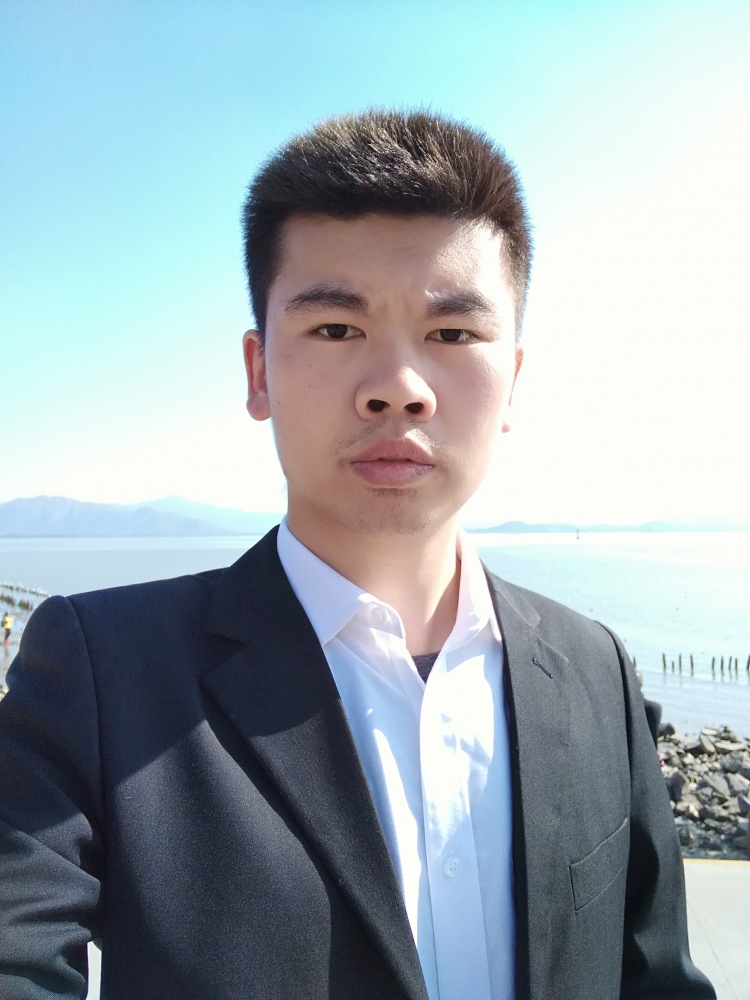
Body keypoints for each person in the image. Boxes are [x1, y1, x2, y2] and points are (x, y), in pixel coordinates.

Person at [0, 111, 714, 1000]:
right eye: (337, 329)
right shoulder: (103, 673)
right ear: (259, 372)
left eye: (452, 334)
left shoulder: (595, 670)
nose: (399, 389)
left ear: (512, 384)